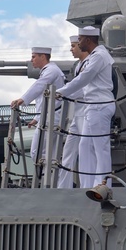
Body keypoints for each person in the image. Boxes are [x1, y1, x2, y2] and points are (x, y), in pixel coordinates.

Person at [56, 26, 115, 189]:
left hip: (100, 106)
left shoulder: (99, 56)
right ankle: (88, 185)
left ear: (88, 40)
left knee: (100, 147)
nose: (78, 41)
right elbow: (84, 86)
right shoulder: (93, 57)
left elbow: (84, 78)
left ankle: (104, 185)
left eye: (80, 39)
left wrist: (60, 92)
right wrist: (63, 94)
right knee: (84, 146)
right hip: (92, 106)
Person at [11, 46, 66, 182]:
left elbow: (40, 86)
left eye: (34, 56)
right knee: (47, 153)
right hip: (48, 116)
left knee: (39, 151)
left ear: (43, 57)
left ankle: (47, 181)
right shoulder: (49, 71)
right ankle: (52, 180)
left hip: (51, 118)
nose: (31, 60)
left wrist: (22, 99)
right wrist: (36, 118)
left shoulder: (51, 71)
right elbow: (44, 99)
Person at [58, 36, 88, 189]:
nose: (71, 49)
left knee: (85, 150)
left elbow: (83, 90)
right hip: (77, 114)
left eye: (73, 46)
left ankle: (86, 185)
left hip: (87, 113)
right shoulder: (79, 65)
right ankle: (63, 187)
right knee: (68, 151)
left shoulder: (89, 64)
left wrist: (62, 93)